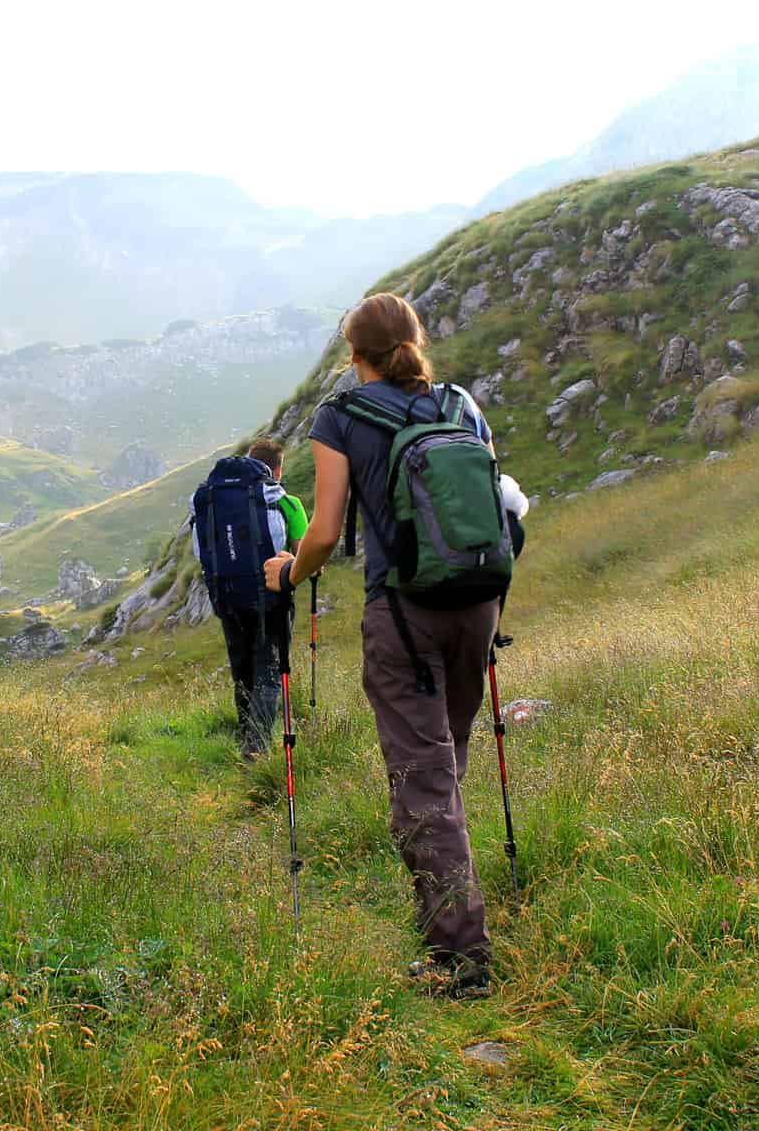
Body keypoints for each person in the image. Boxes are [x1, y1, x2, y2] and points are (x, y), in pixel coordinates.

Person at [264, 293, 499, 998]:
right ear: (415, 342)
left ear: (353, 353)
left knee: (422, 781)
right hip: (479, 601)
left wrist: (288, 571)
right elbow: (499, 499)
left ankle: (460, 958)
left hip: (402, 612)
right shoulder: (462, 406)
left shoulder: (340, 416)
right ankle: (453, 904)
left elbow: (328, 531)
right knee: (444, 763)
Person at [193, 439, 308, 759]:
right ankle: (255, 750)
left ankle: (245, 736)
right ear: (277, 469)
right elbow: (307, 558)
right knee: (269, 670)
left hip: (225, 594)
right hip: (270, 597)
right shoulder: (288, 502)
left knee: (241, 667)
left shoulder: (212, 498)